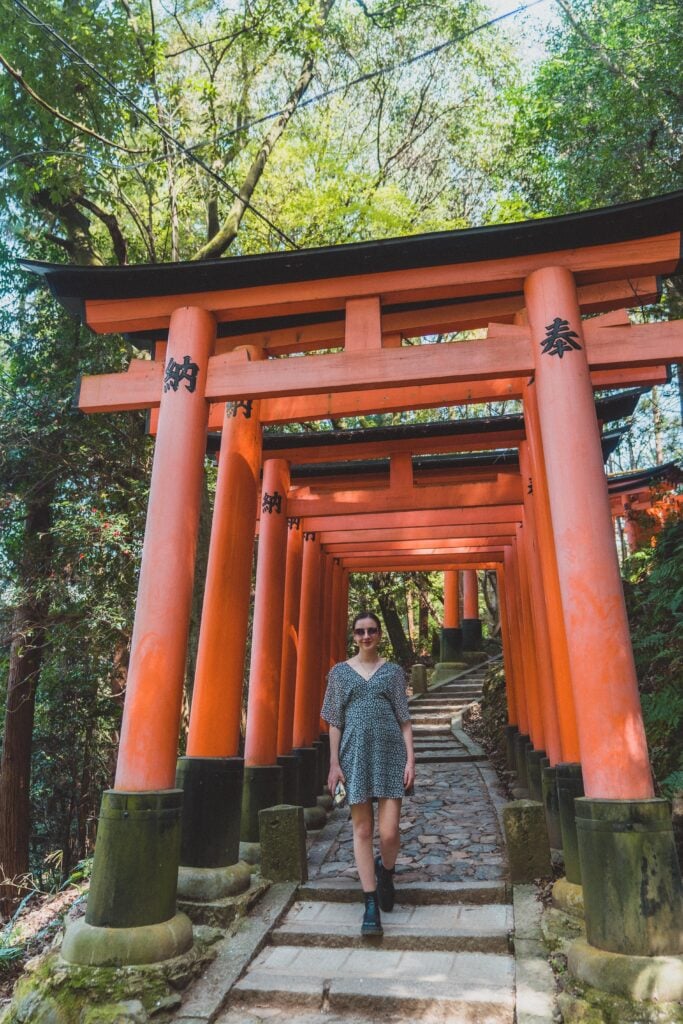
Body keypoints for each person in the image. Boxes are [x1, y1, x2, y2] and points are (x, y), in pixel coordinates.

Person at [321, 611, 415, 936]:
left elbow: (404, 719)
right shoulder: (339, 674)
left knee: (388, 833)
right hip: (354, 757)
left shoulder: (392, 673)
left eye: (371, 630)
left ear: (379, 634)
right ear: (353, 635)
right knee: (362, 831)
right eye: (360, 631)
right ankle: (370, 902)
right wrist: (334, 763)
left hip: (390, 756)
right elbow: (334, 720)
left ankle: (386, 872)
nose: (366, 636)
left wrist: (411, 760)